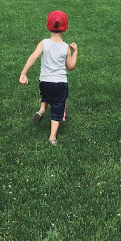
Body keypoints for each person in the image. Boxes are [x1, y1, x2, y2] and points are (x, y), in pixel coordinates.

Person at [19, 10, 78, 145]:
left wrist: (24, 73)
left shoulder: (43, 43)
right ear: (65, 28)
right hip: (60, 83)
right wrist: (75, 52)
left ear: (48, 26)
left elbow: (33, 57)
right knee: (58, 106)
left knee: (46, 95)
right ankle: (52, 137)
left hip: (44, 82)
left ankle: (42, 109)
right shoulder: (65, 47)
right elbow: (71, 66)